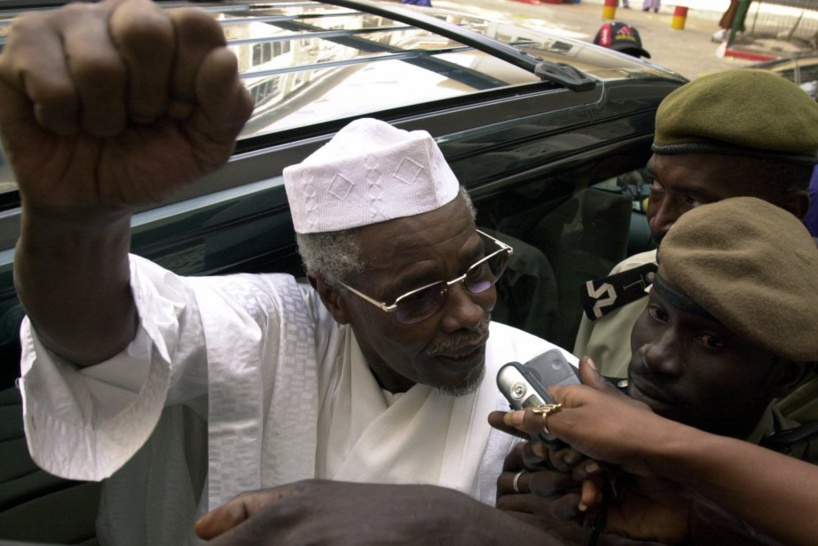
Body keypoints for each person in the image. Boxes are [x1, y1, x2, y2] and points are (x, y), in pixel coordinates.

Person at [1, 0, 570, 543]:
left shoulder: (545, 389)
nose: (470, 313)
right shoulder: (275, 328)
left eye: (478, 270)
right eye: (418, 296)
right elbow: (102, 337)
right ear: (334, 298)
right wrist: (74, 220)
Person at [492, 196, 818, 545]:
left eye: (710, 341)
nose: (655, 355)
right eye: (658, 315)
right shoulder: (589, 444)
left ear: (784, 376)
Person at [573, 68, 818, 381]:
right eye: (656, 186)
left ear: (786, 211)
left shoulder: (802, 345)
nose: (660, 220)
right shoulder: (629, 284)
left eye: (696, 202)